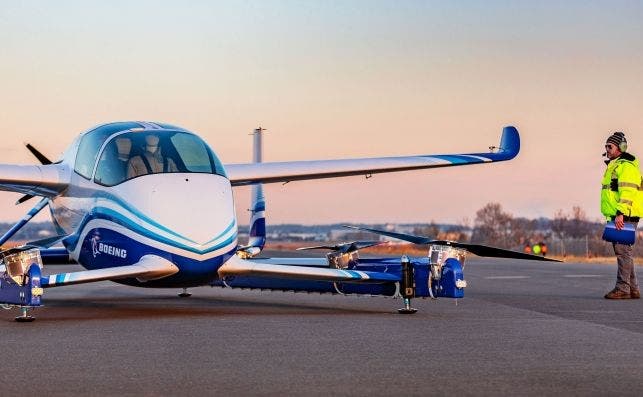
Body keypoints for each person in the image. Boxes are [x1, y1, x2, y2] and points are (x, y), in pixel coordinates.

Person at [601, 131, 641, 299]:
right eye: (606, 146)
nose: (607, 149)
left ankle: (622, 288)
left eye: (610, 146)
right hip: (620, 214)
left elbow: (628, 192)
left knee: (623, 252)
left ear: (620, 148)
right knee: (624, 251)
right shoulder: (616, 165)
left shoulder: (626, 166)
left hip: (624, 214)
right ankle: (632, 288)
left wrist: (620, 213)